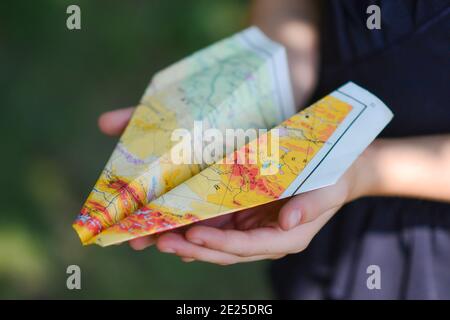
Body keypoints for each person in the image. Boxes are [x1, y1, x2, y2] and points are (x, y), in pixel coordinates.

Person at [97, 0, 450, 299]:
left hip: (422, 245)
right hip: (301, 173)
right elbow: (290, 10)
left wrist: (361, 168)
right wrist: (258, 96)